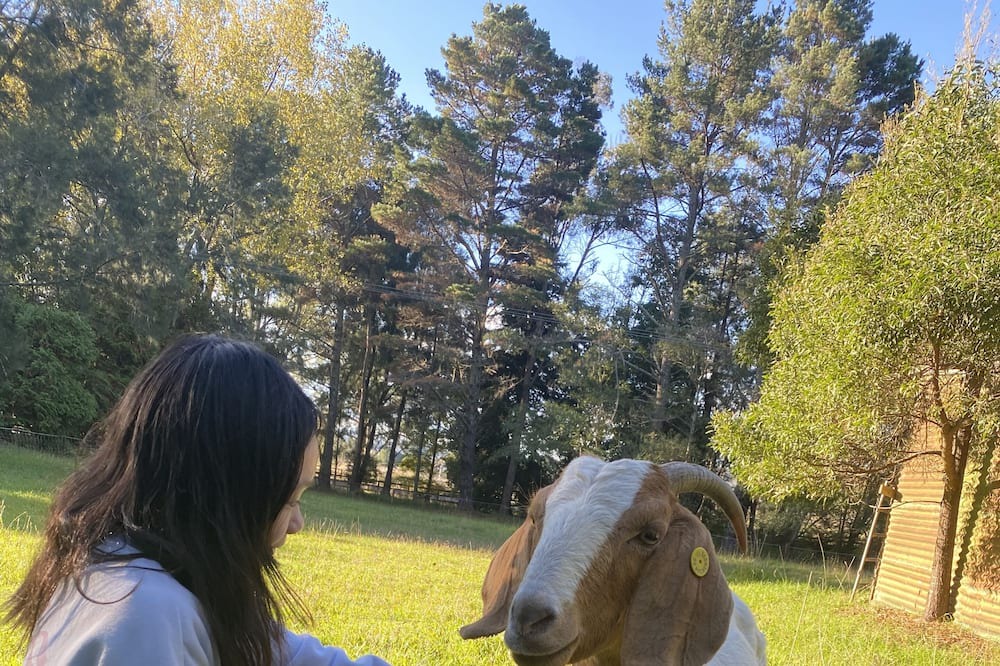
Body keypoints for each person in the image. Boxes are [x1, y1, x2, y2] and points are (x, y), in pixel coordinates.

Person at [5, 334, 391, 665]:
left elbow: (282, 655)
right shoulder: (148, 615)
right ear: (227, 498)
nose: (296, 524)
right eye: (289, 500)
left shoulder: (113, 567)